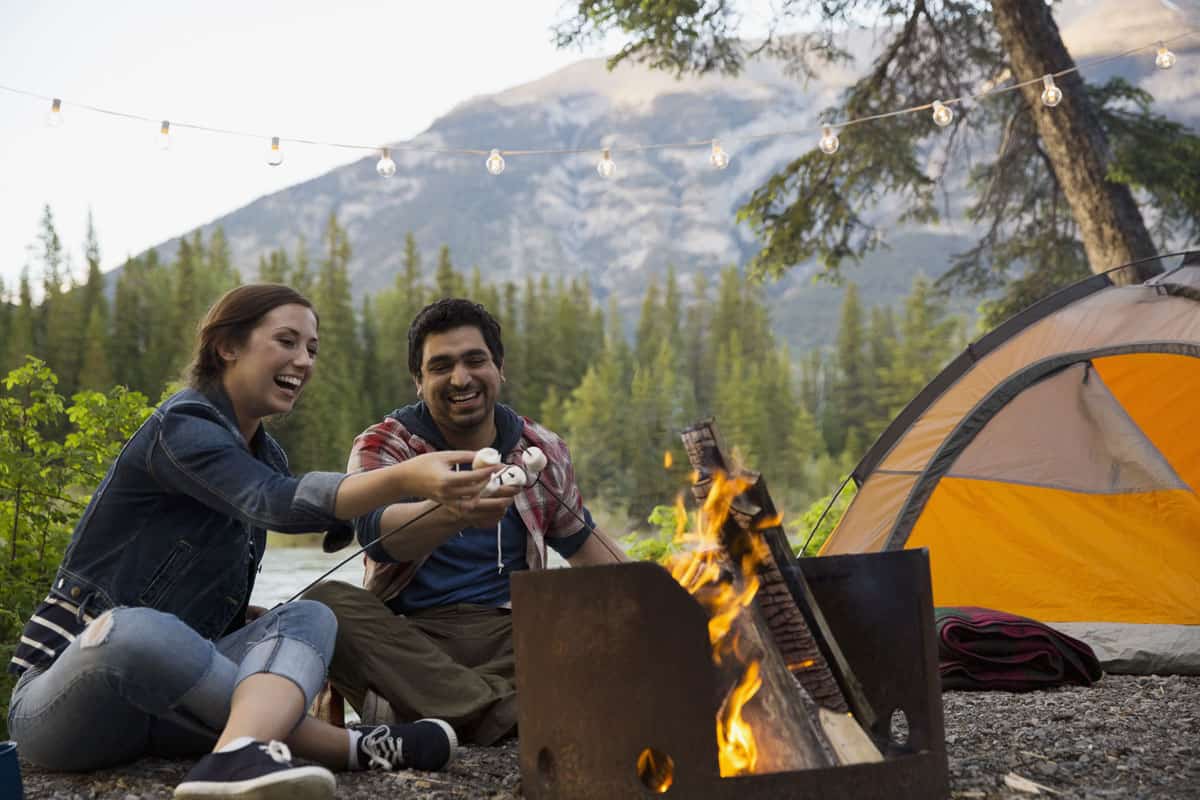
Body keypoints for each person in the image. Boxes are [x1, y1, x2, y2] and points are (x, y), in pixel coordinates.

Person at [6, 285, 502, 800]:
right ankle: (345, 747)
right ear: (228, 347)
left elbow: (289, 505)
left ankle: (236, 752)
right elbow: (274, 502)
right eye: (286, 341)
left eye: (311, 348)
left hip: (167, 709)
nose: (302, 361)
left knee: (310, 617)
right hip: (65, 701)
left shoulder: (269, 456)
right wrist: (405, 478)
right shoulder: (181, 425)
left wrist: (243, 623)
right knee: (133, 630)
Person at [304, 297, 628, 747]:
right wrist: (454, 511)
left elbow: (583, 541)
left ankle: (433, 709)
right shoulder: (385, 444)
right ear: (419, 381)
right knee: (322, 606)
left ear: (499, 368)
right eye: (441, 366)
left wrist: (659, 601)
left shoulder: (542, 447)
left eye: (475, 361)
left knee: (607, 613)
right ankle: (508, 711)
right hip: (412, 640)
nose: (461, 379)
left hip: (514, 638)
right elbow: (376, 534)